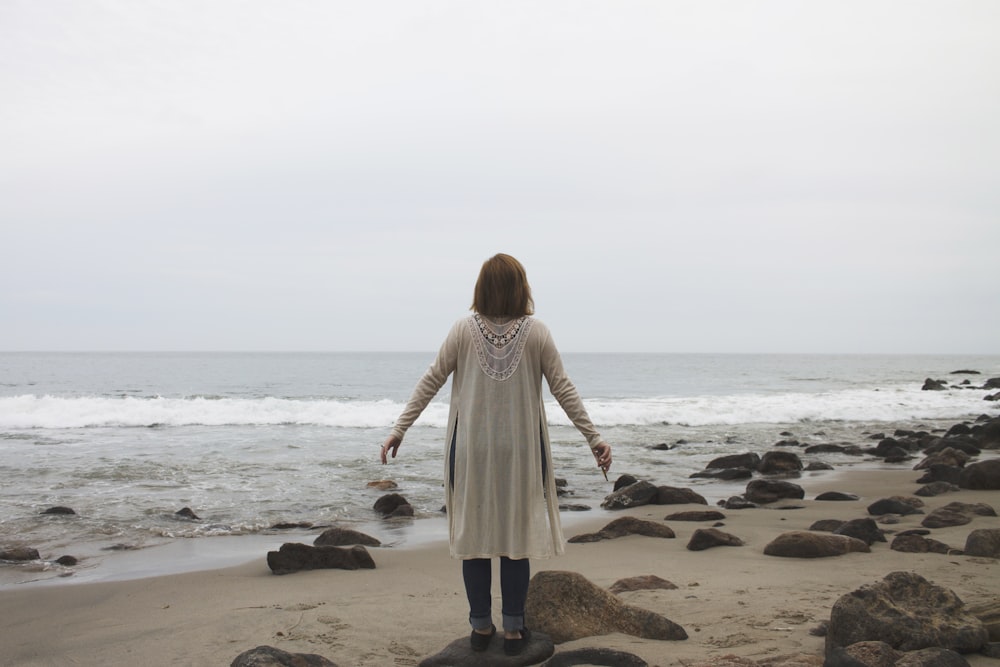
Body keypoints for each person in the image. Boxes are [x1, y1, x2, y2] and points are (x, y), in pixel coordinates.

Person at [380, 253, 612, 656]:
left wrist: (399, 429)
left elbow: (430, 379)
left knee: (475, 538)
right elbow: (563, 388)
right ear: (522, 288)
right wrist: (594, 439)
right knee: (514, 539)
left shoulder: (461, 330)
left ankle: (480, 627)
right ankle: (515, 630)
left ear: (481, 289)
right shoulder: (537, 331)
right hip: (521, 451)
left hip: (471, 450)